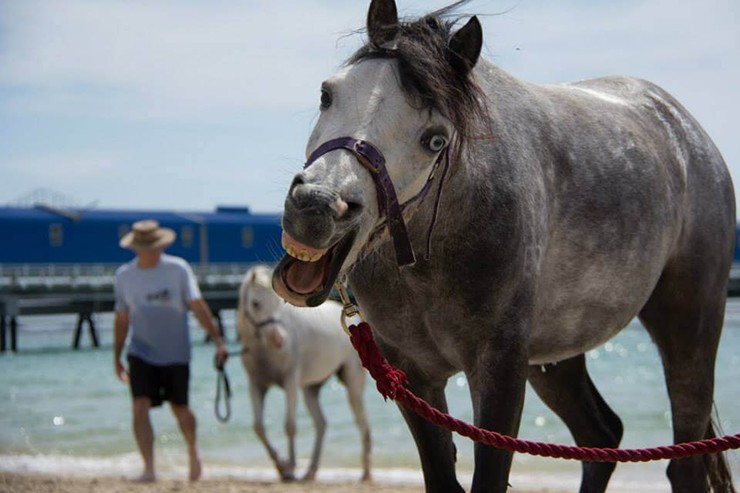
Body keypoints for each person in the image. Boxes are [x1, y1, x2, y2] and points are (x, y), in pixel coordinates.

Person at [113, 219, 228, 482]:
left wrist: (218, 341)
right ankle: (149, 468)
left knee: (181, 409)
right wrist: (117, 356)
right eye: (146, 247)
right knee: (139, 406)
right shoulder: (124, 276)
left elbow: (197, 306)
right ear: (136, 249)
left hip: (176, 353)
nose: (152, 251)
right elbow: (121, 318)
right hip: (140, 351)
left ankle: (193, 451)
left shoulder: (178, 269)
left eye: (155, 246)